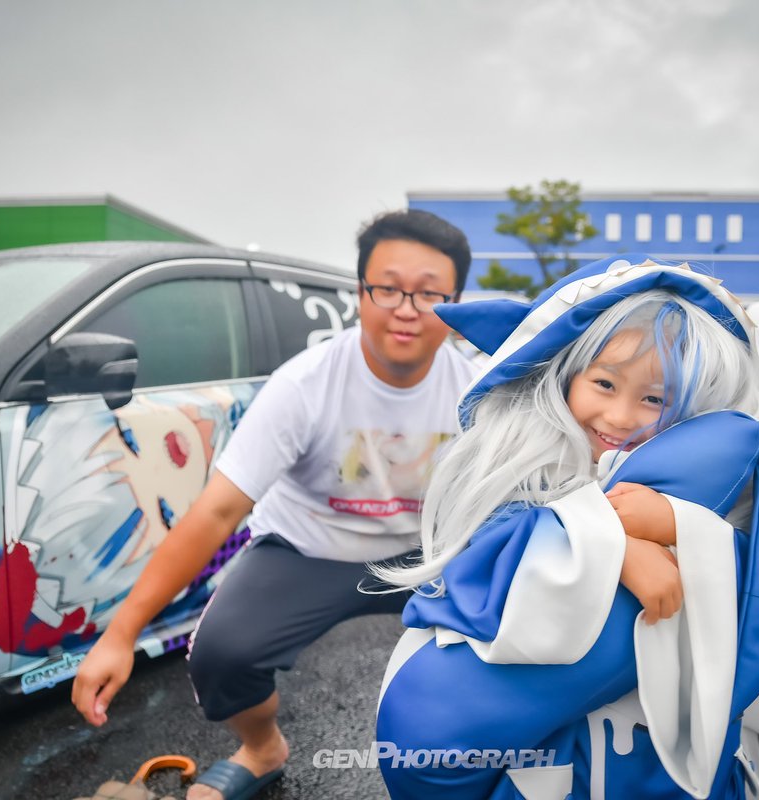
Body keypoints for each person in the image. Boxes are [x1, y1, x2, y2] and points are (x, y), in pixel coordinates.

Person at [373, 255, 759, 799]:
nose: (619, 416)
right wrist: (613, 546)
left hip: (647, 751)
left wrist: (679, 524)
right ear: (566, 374)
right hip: (544, 756)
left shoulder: (711, 481)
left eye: (655, 398)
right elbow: (488, 541)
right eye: (604, 383)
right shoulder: (525, 464)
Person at [71, 209, 478, 800]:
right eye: (388, 288)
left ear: (456, 302)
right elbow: (217, 511)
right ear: (360, 292)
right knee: (222, 654)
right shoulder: (304, 384)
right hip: (310, 547)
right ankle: (262, 749)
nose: (406, 308)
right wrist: (121, 633)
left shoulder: (479, 392)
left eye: (430, 293)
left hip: (426, 554)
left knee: (517, 631)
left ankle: (494, 759)